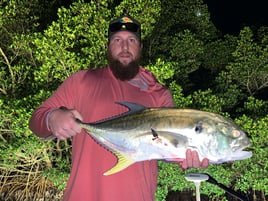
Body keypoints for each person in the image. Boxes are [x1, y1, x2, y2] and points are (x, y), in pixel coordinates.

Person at [29, 14, 209, 201]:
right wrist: (51, 118)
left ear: (140, 48)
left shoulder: (159, 93)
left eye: (131, 40)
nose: (125, 47)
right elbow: (36, 122)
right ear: (107, 47)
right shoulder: (81, 81)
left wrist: (188, 157)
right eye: (117, 40)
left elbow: (168, 147)